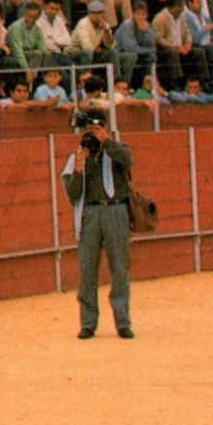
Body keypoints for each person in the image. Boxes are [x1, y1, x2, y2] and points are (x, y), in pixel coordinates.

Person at [61, 109, 134, 340]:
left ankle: (123, 323)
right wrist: (78, 170)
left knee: (120, 269)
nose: (92, 134)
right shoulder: (77, 158)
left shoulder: (115, 149)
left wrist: (107, 141)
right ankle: (88, 323)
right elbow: (73, 195)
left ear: (105, 128)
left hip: (115, 209)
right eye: (88, 130)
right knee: (88, 271)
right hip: (90, 213)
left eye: (96, 129)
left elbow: (128, 160)